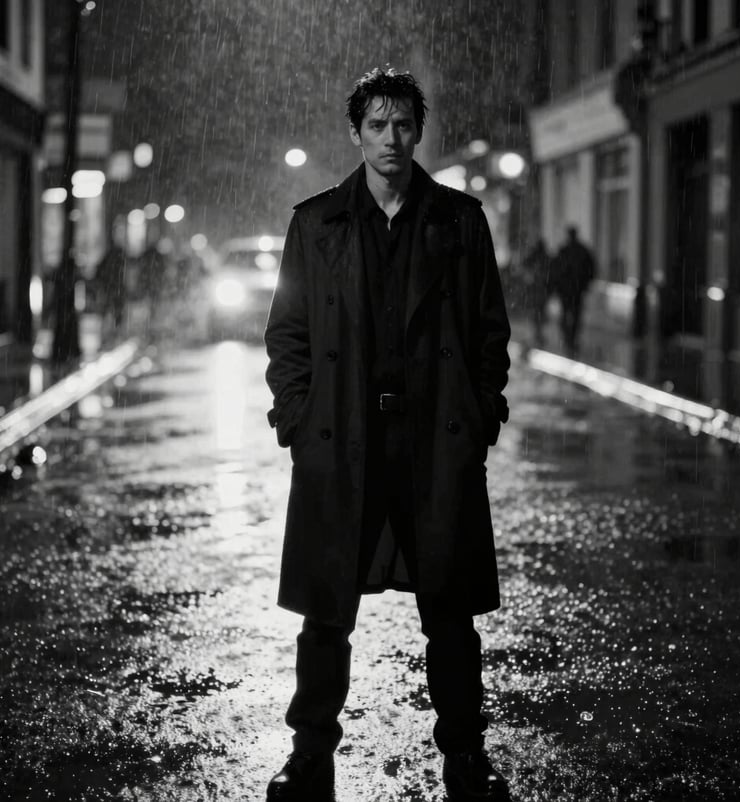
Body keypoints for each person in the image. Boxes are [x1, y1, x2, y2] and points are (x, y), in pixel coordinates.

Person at [264, 68, 512, 802]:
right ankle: (310, 754)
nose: (392, 139)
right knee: (325, 612)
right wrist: (297, 422)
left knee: (451, 615)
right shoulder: (317, 223)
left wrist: (480, 419)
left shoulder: (460, 221)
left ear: (418, 130)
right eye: (378, 125)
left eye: (403, 124)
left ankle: (466, 754)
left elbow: (489, 333)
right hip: (342, 439)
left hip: (434, 440)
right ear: (356, 134)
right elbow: (289, 336)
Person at [552, 225, 595, 357]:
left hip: (570, 290)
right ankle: (570, 338)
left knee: (568, 314)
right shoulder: (581, 251)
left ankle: (569, 338)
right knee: (574, 314)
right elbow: (591, 269)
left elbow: (555, 270)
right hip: (574, 290)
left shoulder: (565, 251)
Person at [521, 237, 552, 347]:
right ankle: (538, 333)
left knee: (537, 311)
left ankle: (537, 333)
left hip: (537, 290)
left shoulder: (537, 257)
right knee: (538, 311)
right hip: (540, 290)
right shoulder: (544, 257)